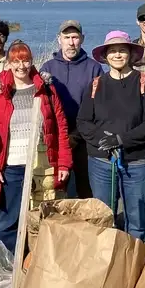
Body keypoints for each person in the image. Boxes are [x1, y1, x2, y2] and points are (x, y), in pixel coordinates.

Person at [0, 41, 71, 255]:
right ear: (9, 63)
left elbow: (60, 127)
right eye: (16, 61)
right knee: (8, 220)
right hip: (11, 166)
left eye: (26, 60)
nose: (21, 66)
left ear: (31, 62)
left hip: (42, 166)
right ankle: (6, 263)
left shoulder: (45, 89)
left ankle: (37, 262)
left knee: (42, 217)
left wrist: (64, 163)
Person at [77, 31, 145, 238]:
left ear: (131, 54)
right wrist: (101, 140)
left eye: (122, 50)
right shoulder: (96, 84)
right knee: (103, 218)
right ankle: (107, 263)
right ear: (105, 56)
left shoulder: (144, 83)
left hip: (137, 162)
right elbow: (83, 121)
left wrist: (121, 140)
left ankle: (133, 262)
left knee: (137, 219)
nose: (117, 55)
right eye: (113, 51)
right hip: (101, 162)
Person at [39, 20, 102, 199]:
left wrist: (78, 134)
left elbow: (97, 106)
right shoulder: (48, 68)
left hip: (84, 140)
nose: (71, 42)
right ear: (59, 39)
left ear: (82, 39)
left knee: (85, 190)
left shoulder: (94, 68)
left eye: (75, 37)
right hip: (55, 138)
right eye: (67, 37)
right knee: (54, 188)